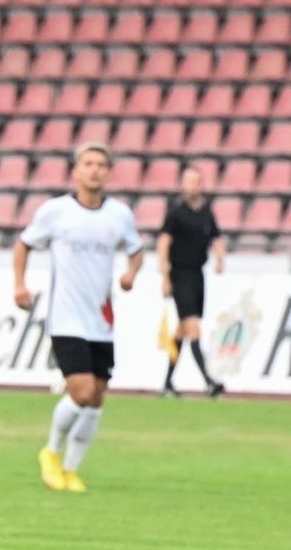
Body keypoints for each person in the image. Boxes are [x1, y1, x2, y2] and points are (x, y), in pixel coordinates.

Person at [14, 142, 143, 494]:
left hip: (102, 319)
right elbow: (24, 244)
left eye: (101, 163)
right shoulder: (56, 212)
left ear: (109, 171)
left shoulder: (119, 215)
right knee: (82, 391)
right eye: (88, 163)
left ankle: (70, 470)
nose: (95, 169)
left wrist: (132, 273)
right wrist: (20, 285)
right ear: (75, 171)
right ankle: (51, 452)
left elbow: (136, 249)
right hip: (66, 318)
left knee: (98, 396)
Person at [157, 165, 227, 399]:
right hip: (179, 274)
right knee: (193, 327)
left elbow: (216, 237)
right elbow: (163, 244)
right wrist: (165, 276)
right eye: (188, 181)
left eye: (196, 182)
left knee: (182, 330)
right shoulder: (176, 212)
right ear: (182, 184)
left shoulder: (207, 212)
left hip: (197, 275)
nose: (192, 186)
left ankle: (167, 383)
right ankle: (208, 381)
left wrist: (220, 259)